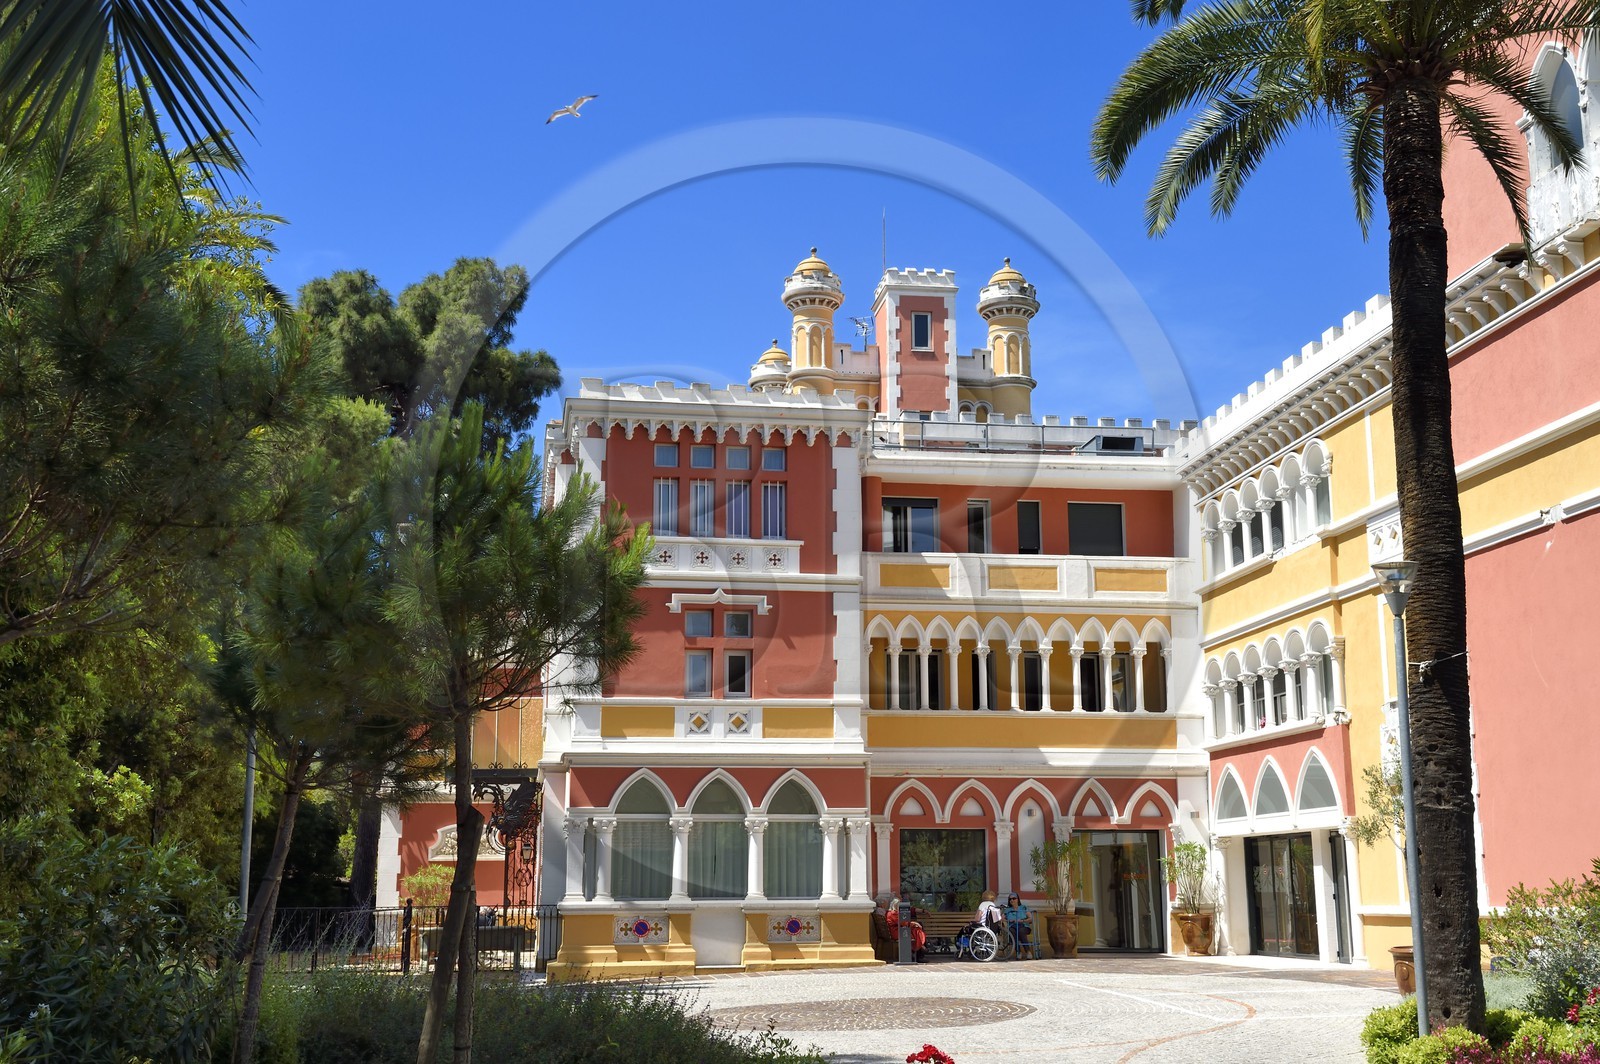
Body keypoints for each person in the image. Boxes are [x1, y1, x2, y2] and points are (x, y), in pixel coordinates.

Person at [885, 894, 927, 962]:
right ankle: (920, 949)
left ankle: (920, 947)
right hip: (897, 932)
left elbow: (903, 922)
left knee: (917, 929)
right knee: (917, 929)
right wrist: (914, 923)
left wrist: (913, 924)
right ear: (895, 905)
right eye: (899, 905)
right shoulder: (893, 913)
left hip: (898, 930)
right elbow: (902, 923)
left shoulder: (891, 913)